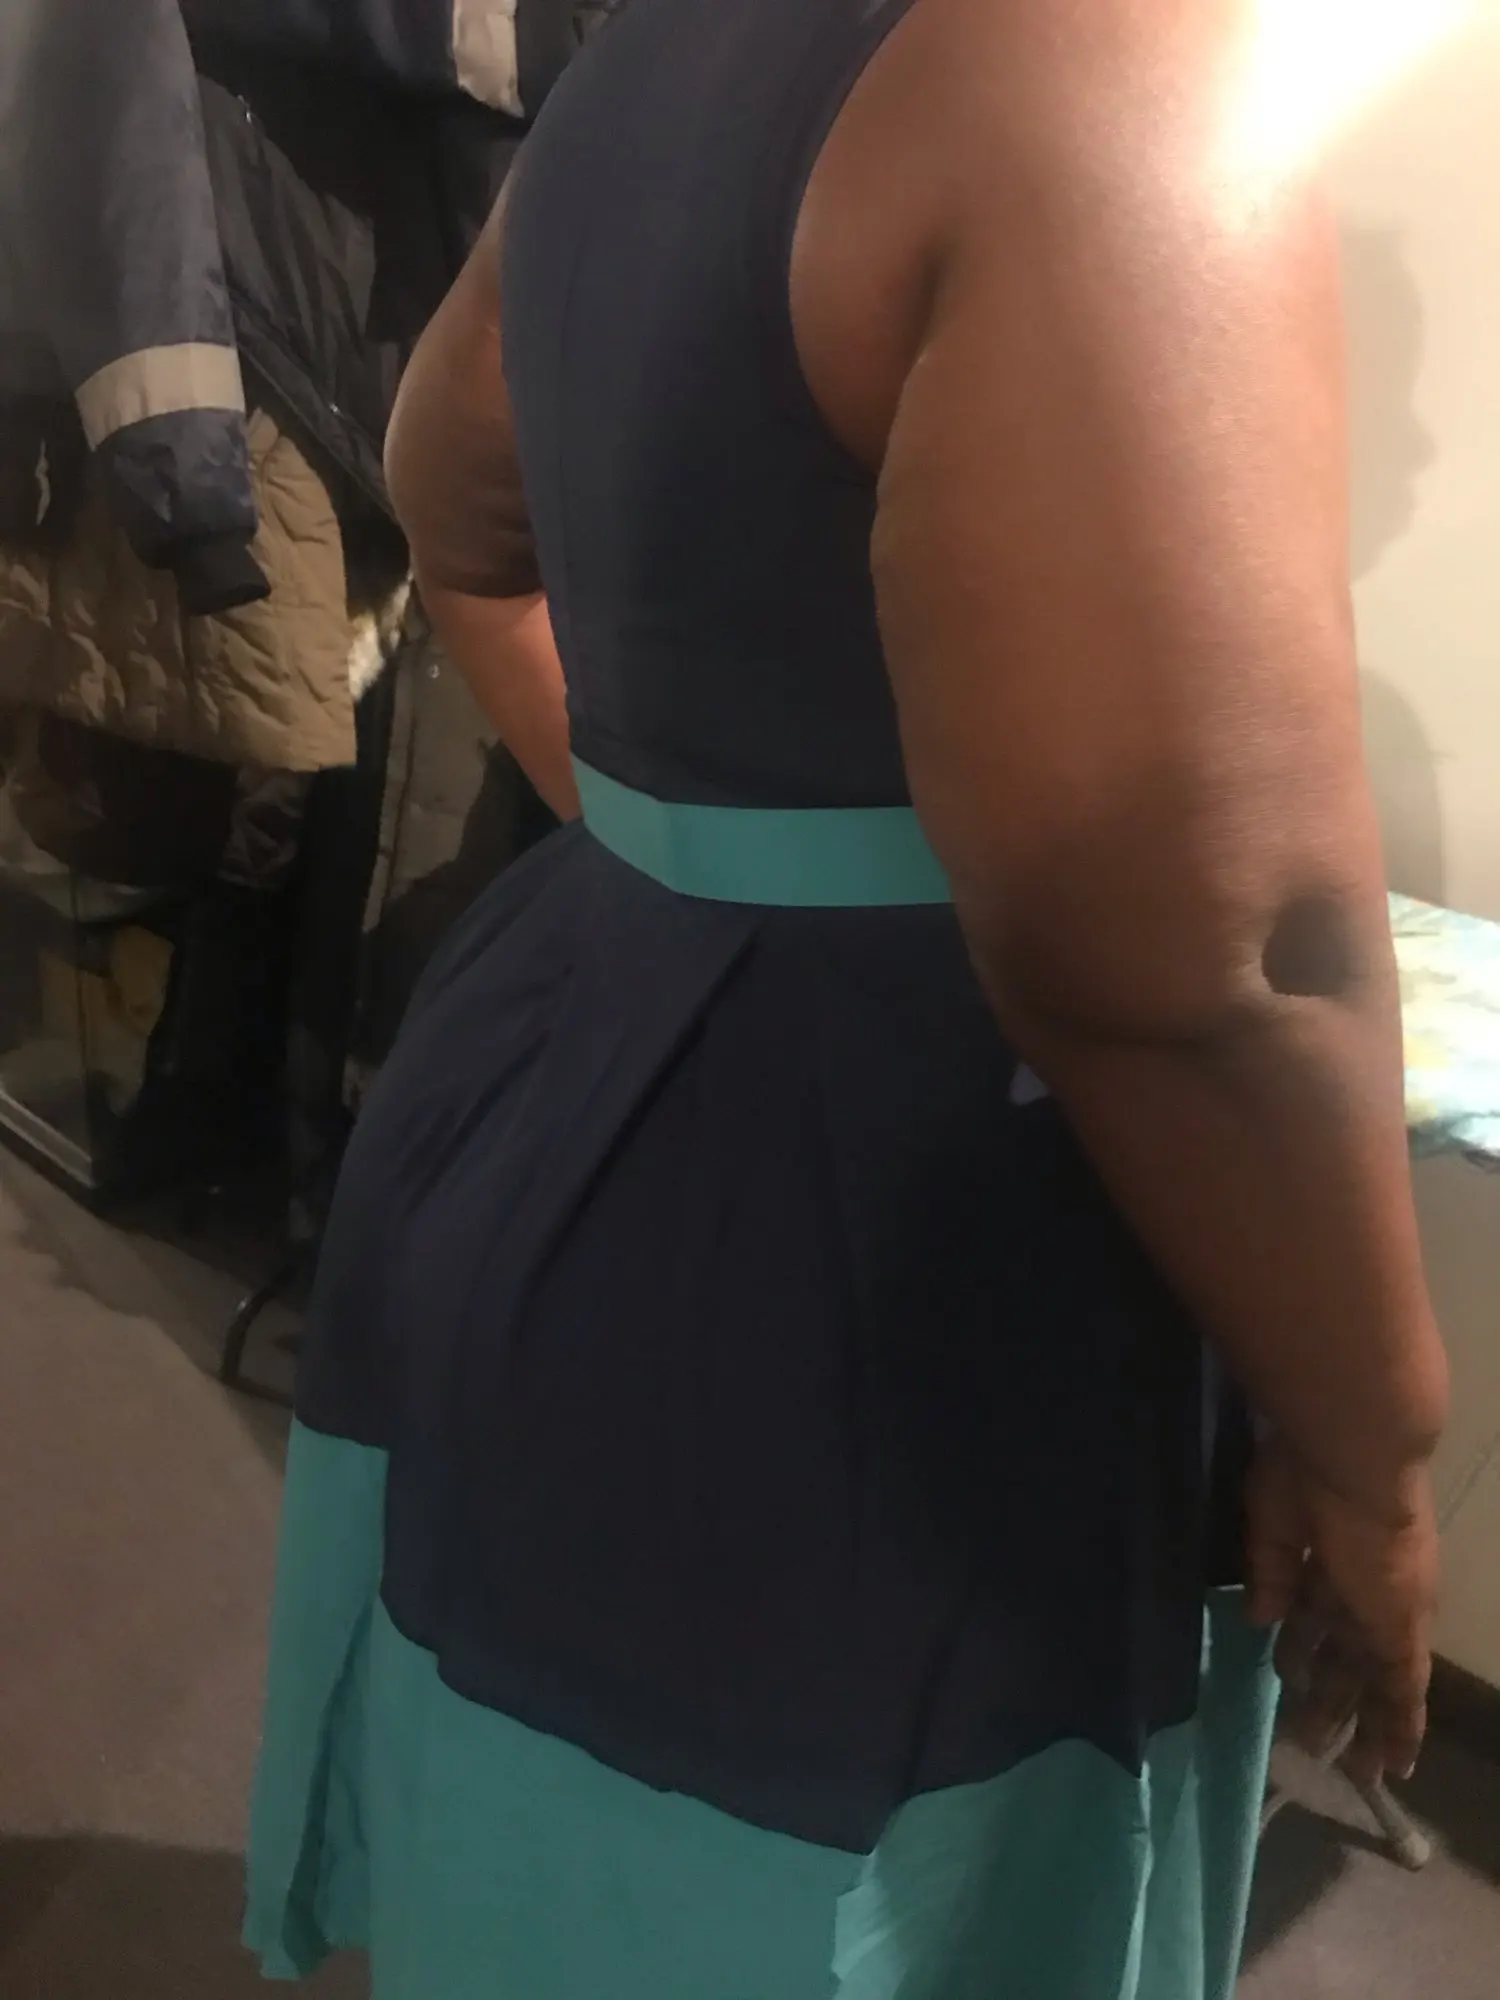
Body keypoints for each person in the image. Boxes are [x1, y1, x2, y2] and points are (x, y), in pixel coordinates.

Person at [245, 1, 1447, 1994]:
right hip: (877, 1249)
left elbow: (456, 519)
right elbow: (1204, 961)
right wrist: (1380, 1453)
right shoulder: (1094, 57)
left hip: (567, 1081)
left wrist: (701, 878)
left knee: (571, 1853)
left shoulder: (649, 63)